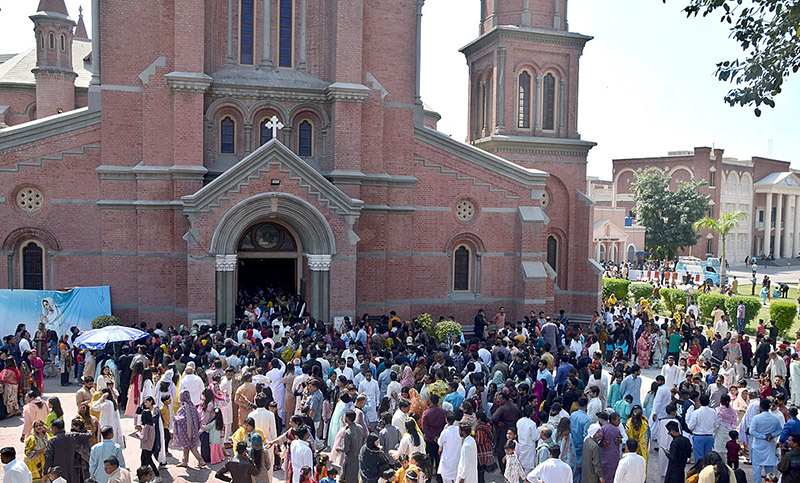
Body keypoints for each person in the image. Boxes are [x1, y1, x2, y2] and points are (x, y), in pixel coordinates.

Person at [44, 418, 91, 483]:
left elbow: (48, 458)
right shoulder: (72, 436)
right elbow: (89, 435)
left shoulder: (53, 441)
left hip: (57, 474)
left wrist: (45, 472)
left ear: (55, 428)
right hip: (72, 472)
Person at [750, 398, 783, 483]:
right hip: (769, 444)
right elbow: (780, 430)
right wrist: (771, 435)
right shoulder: (774, 418)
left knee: (757, 468)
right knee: (769, 467)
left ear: (760, 407)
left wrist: (763, 436)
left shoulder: (756, 418)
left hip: (758, 445)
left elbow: (752, 431)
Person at [174, 391, 205, 468]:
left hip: (187, 431)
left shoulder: (185, 407)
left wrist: (175, 418)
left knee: (192, 447)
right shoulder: (192, 406)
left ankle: (201, 461)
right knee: (186, 446)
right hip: (193, 430)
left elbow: (183, 418)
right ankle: (184, 461)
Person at [688, 394, 718, 462]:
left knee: (699, 458)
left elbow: (691, 426)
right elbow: (716, 425)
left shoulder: (696, 412)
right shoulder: (713, 412)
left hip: (698, 436)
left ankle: (699, 471)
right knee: (708, 458)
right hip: (709, 436)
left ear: (700, 402)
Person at [339, 410, 365, 483]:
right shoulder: (360, 427)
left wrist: (339, 449)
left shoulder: (348, 432)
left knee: (350, 478)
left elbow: (346, 449)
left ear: (347, 418)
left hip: (351, 459)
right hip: (359, 457)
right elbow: (363, 440)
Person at [437, 412, 462, 483]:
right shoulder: (459, 430)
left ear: (446, 420)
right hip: (457, 458)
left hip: (447, 459)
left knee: (446, 479)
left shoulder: (445, 432)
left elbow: (440, 442)